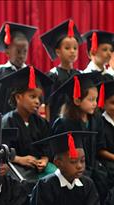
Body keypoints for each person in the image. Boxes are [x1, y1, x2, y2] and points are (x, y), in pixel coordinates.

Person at [50, 72, 109, 203]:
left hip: (94, 168)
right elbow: (57, 153)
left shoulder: (96, 119)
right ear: (77, 100)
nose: (95, 103)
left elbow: (99, 146)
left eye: (96, 99)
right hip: (73, 170)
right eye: (91, 99)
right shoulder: (64, 123)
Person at [0, 66, 54, 184]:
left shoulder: (40, 122)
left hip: (38, 168)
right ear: (18, 97)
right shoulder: (6, 122)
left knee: (55, 177)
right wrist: (19, 159)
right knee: (21, 182)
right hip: (15, 166)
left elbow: (47, 147)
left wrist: (44, 160)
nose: (37, 101)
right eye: (32, 96)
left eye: (39, 98)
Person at [30, 131, 100, 205]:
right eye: (73, 161)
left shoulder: (88, 184)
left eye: (82, 160)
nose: (79, 166)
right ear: (58, 163)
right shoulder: (45, 186)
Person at [0, 22, 37, 114]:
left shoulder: (31, 73)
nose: (21, 55)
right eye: (18, 51)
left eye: (25, 51)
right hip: (0, 124)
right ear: (7, 52)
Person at [40, 19, 83, 124]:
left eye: (75, 48)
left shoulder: (80, 75)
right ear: (58, 51)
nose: (72, 51)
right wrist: (48, 126)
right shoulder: (52, 75)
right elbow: (47, 105)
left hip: (76, 122)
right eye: (67, 48)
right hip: (57, 123)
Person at [98, 80, 114, 190]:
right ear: (103, 104)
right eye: (113, 103)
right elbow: (100, 150)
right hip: (107, 162)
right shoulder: (100, 122)